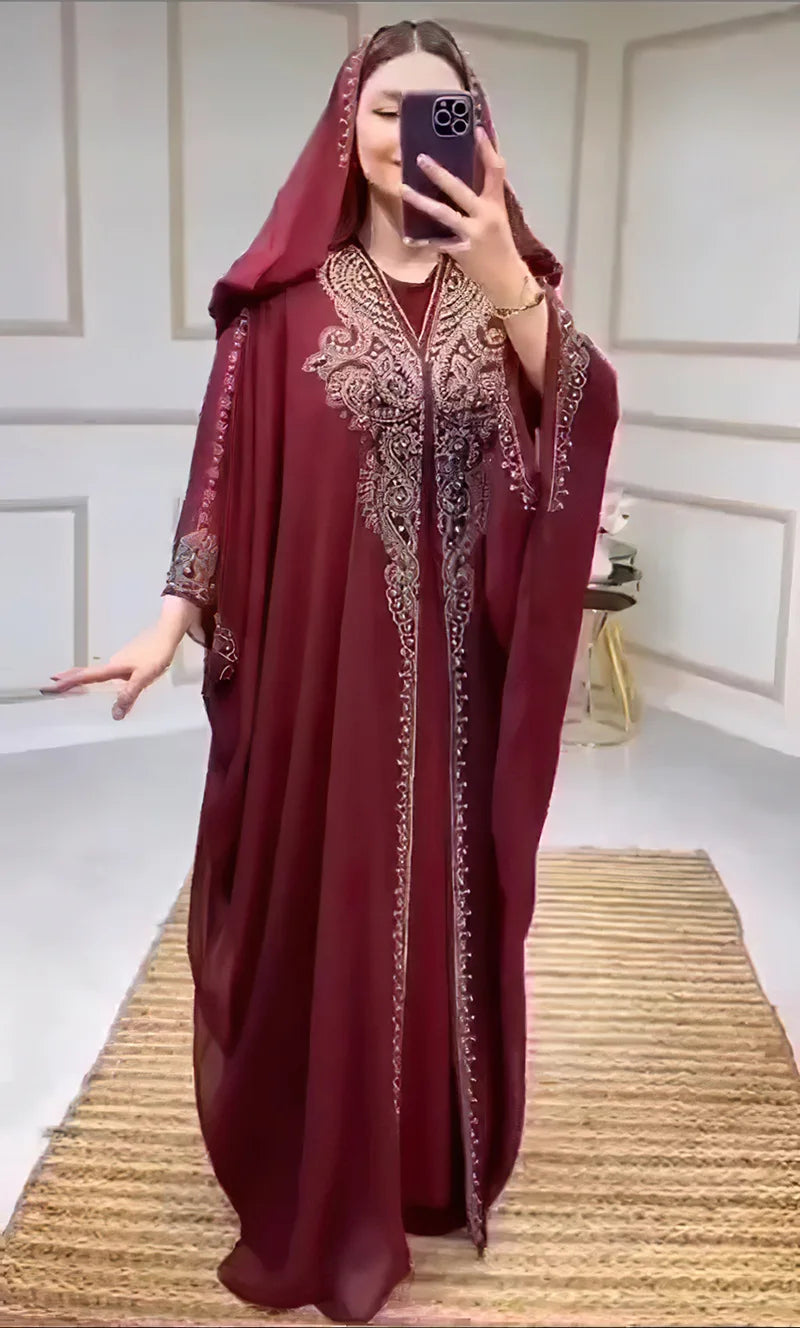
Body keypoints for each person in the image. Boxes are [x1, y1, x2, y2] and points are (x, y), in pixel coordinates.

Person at [45, 19, 619, 1325]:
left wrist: (505, 275)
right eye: (383, 108)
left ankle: (424, 1169)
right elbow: (222, 468)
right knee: (331, 901)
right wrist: (172, 616)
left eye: (439, 109)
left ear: (477, 130)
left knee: (443, 912)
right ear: (345, 128)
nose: (407, 134)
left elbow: (578, 418)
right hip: (323, 680)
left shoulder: (508, 291)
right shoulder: (281, 306)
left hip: (462, 689)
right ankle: (323, 1173)